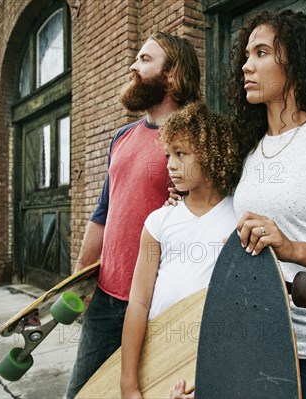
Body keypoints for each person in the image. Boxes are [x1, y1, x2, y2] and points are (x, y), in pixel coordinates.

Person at [173, 9, 306, 399]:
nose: (245, 66)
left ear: (297, 62)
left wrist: (293, 249)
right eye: (246, 55)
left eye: (262, 53)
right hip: (262, 346)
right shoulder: (250, 152)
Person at [65, 32, 201, 399]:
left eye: (145, 60)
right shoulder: (122, 137)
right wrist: (79, 280)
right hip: (107, 297)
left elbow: (207, 213)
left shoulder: (195, 138)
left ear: (171, 75)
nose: (133, 66)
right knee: (82, 393)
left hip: (157, 306)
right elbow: (102, 213)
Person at [120, 101, 243, 399]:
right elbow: (138, 303)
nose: (170, 165)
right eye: (167, 155)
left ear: (212, 154)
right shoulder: (159, 221)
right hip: (160, 354)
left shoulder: (240, 218)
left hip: (213, 360)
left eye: (181, 154)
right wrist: (129, 385)